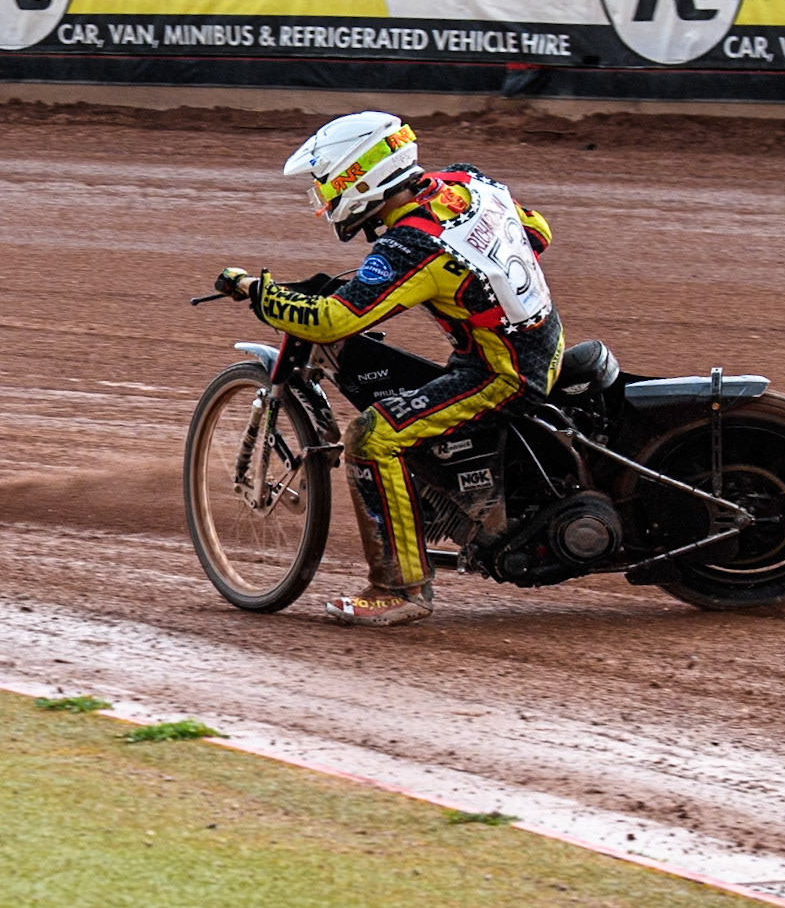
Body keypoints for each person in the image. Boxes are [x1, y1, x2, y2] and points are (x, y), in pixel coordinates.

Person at [216, 111, 564, 627]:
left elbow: (334, 321)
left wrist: (258, 292)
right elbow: (537, 231)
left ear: (359, 177)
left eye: (326, 185)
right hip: (544, 341)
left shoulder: (411, 245)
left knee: (372, 438)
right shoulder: (466, 182)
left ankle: (400, 589)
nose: (323, 199)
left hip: (503, 374)